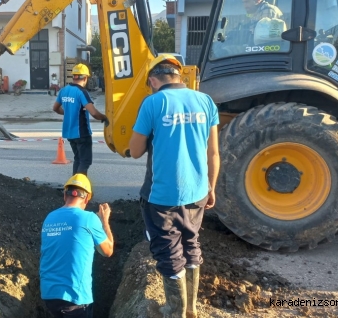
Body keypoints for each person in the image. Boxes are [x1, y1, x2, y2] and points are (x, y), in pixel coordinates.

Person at [129, 54, 220, 318]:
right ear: (179, 76)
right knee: (191, 243)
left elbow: (135, 151)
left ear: (152, 80)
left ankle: (175, 310)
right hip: (198, 192)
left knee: (168, 252)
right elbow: (213, 153)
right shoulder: (205, 101)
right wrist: (211, 187)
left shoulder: (153, 102)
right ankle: (190, 308)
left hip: (162, 196)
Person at [39, 174, 115, 318]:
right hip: (74, 297)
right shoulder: (89, 218)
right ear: (87, 198)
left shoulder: (49, 218)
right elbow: (107, 251)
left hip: (49, 294)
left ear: (64, 194)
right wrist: (104, 221)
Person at [53, 64, 108, 175]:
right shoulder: (81, 92)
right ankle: (79, 188)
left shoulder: (64, 90)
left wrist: (68, 112)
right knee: (85, 161)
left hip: (69, 133)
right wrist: (104, 117)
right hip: (82, 133)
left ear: (74, 76)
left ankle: (74, 187)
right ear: (85, 78)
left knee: (78, 159)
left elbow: (55, 108)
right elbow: (93, 112)